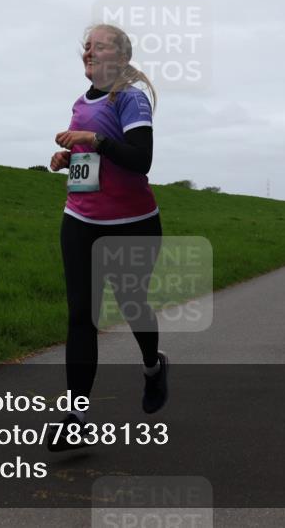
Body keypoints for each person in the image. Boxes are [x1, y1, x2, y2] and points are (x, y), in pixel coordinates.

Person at [47, 24, 167, 451]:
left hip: (132, 223)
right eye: (86, 46)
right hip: (80, 221)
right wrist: (68, 157)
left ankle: (153, 367)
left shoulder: (130, 97)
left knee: (133, 306)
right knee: (82, 315)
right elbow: (90, 157)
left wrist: (93, 140)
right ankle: (76, 416)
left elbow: (140, 159)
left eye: (97, 46)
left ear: (119, 56)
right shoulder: (82, 101)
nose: (88, 51)